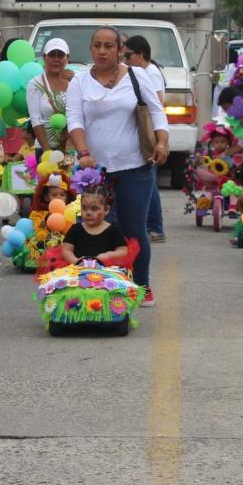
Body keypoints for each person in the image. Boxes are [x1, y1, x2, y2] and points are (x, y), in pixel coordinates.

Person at [67, 26, 168, 305]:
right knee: (98, 228)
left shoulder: (137, 76)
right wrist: (83, 152)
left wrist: (162, 143)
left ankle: (142, 285)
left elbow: (157, 112)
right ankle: (106, 285)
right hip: (95, 173)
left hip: (135, 167)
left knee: (134, 229)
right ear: (90, 49)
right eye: (97, 45)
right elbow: (74, 120)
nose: (102, 51)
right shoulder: (79, 81)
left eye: (108, 46)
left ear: (119, 49)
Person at [124, 35, 168, 244]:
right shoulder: (140, 71)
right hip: (143, 131)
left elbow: (157, 103)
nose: (126, 59)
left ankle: (155, 227)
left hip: (148, 132)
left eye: (128, 55)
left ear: (140, 54)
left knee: (149, 182)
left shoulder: (150, 73)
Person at [61, 185, 128, 266]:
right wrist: (75, 261)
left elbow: (123, 251)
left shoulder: (113, 230)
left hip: (107, 272)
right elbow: (66, 250)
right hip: (77, 271)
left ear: (106, 210)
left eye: (94, 209)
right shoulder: (76, 229)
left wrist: (108, 255)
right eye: (84, 208)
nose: (88, 212)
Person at [26, 38, 74, 153]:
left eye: (60, 55)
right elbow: (35, 119)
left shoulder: (77, 81)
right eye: (52, 55)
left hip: (71, 147)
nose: (56, 59)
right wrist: (47, 150)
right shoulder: (35, 84)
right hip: (44, 147)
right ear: (44, 57)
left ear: (68, 58)